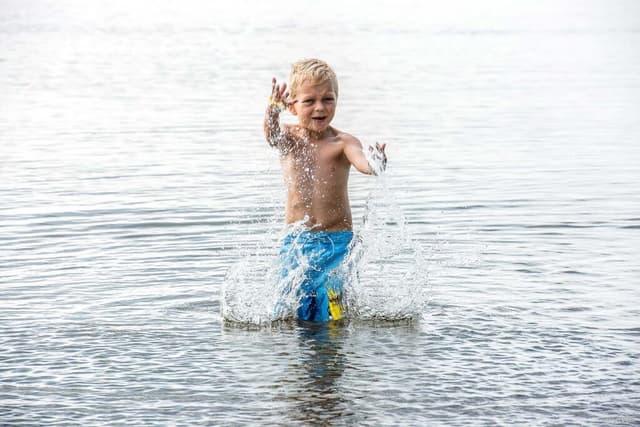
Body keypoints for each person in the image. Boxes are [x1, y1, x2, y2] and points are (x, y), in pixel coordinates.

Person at [264, 58, 387, 322]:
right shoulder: (289, 139)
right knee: (290, 310)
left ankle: (335, 341)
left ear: (336, 101)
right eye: (309, 101)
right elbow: (271, 136)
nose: (320, 107)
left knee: (332, 311)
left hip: (337, 242)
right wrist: (272, 110)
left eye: (327, 99)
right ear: (292, 106)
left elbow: (363, 163)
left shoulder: (343, 143)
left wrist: (375, 163)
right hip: (297, 243)